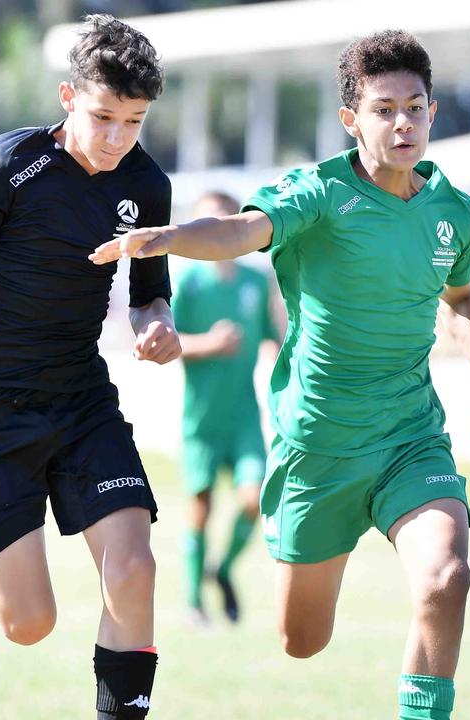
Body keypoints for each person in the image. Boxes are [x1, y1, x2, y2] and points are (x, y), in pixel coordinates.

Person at [92, 30, 470, 720]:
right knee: (301, 641)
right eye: (383, 109)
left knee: (446, 578)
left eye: (413, 106)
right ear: (352, 120)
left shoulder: (452, 213)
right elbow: (242, 231)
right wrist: (170, 238)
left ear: (432, 111)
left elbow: (459, 301)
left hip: (410, 437)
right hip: (317, 447)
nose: (401, 122)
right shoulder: (317, 193)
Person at [0, 15, 177, 719]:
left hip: (82, 399)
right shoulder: (7, 166)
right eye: (103, 117)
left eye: (134, 122)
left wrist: (158, 329)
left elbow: (149, 298)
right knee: (29, 624)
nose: (117, 138)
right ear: (66, 97)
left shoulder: (146, 185)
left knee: (135, 567)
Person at [173, 191, 281, 627]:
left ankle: (223, 569)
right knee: (199, 507)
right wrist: (207, 344)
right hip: (201, 418)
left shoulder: (256, 281)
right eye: (203, 223)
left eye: (221, 221)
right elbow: (162, 342)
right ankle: (194, 600)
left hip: (243, 417)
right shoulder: (187, 284)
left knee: (254, 501)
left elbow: (275, 338)